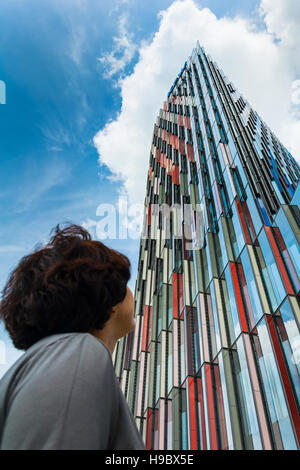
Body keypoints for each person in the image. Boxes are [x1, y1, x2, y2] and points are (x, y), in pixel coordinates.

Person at [0, 223, 145, 450]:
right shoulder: (77, 353)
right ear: (110, 301)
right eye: (124, 283)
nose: (131, 292)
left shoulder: (51, 358)